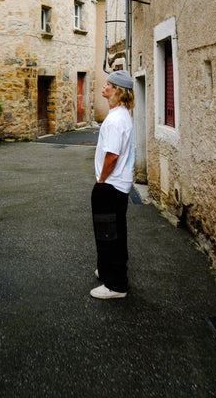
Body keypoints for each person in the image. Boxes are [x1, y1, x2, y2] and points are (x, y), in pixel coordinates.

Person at [90, 69, 135, 299]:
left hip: (110, 185)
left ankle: (115, 285)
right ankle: (107, 271)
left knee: (109, 234)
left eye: (107, 84)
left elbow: (112, 155)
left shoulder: (117, 119)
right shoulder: (122, 114)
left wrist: (100, 180)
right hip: (117, 185)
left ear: (116, 89)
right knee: (112, 231)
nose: (103, 86)